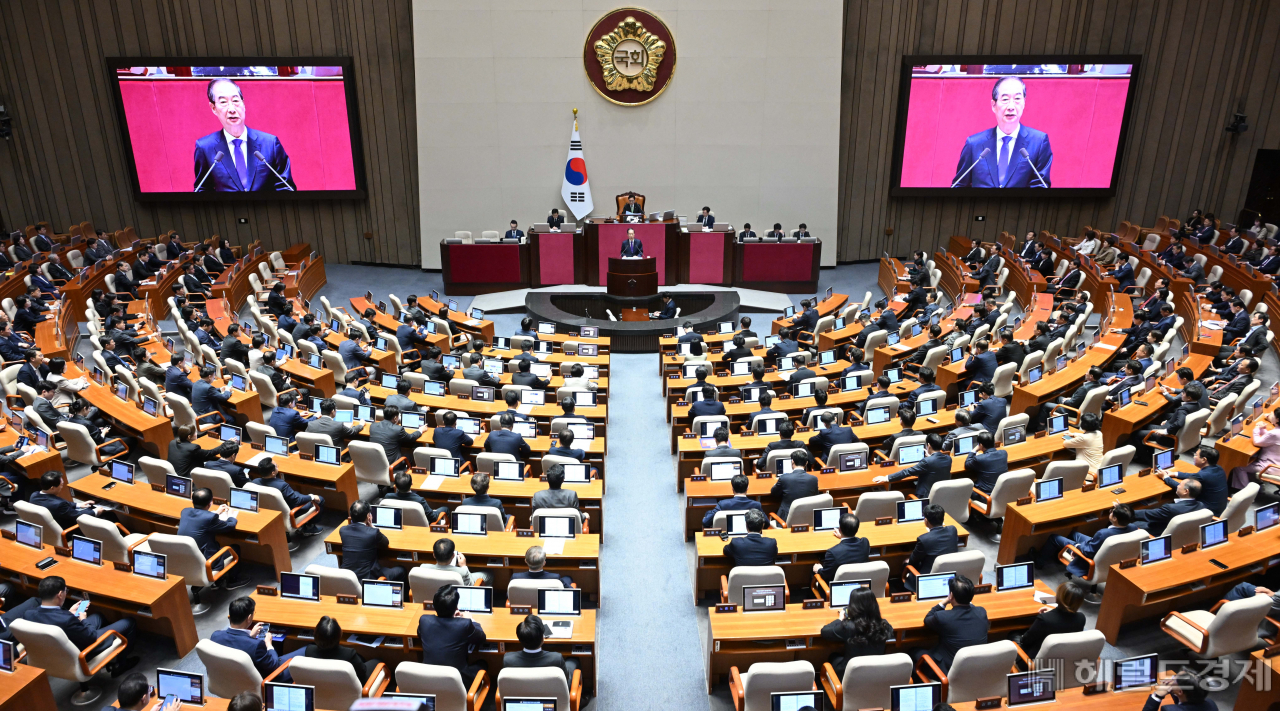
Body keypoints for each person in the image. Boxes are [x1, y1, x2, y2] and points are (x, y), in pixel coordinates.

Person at [950, 75, 1052, 188]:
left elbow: (1041, 186)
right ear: (993, 105)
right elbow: (959, 185)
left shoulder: (1039, 142)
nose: (1011, 106)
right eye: (1005, 99)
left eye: (1017, 99)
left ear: (1024, 103)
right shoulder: (974, 144)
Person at [24, 576, 139, 676]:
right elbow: (91, 636)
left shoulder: (28, 614)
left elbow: (54, 620)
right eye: (65, 590)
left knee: (98, 617)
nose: (65, 593)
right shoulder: (66, 619)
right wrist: (83, 619)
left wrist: (69, 612)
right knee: (129, 622)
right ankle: (121, 664)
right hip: (82, 650)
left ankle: (107, 656)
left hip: (57, 650)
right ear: (60, 594)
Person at [194, 78, 295, 191]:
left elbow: (286, 188)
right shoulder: (205, 148)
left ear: (243, 103)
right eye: (223, 102)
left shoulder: (270, 143)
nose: (232, 109)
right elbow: (202, 190)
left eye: (236, 100)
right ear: (213, 108)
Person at [210, 597, 305, 682]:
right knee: (307, 649)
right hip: (267, 677)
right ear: (249, 618)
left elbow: (237, 644)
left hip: (230, 680)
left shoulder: (215, 636)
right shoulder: (256, 645)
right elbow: (274, 666)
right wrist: (268, 645)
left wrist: (250, 637)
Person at [912, 574, 988, 674]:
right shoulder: (982, 612)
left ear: (951, 595)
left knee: (913, 652)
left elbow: (927, 619)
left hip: (949, 670)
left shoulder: (943, 617)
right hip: (976, 667)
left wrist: (945, 601)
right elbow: (972, 607)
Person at [177, 487, 249, 586]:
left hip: (186, 558)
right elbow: (230, 526)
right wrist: (231, 515)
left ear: (192, 501)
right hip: (207, 561)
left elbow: (201, 518)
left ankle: (219, 581)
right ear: (210, 503)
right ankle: (233, 581)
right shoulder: (210, 518)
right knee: (235, 548)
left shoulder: (185, 511)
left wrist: (215, 513)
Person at [418, 585, 488, 684]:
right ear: (456, 607)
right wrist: (471, 620)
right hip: (457, 681)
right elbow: (481, 638)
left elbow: (420, 634)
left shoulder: (424, 620)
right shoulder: (464, 624)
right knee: (482, 664)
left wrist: (451, 618)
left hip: (429, 678)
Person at [1041, 504, 1136, 576]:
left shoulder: (1103, 534)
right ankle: (1063, 554)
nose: (1110, 511)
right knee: (1074, 534)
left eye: (1112, 511)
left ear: (1115, 518)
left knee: (1054, 538)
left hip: (1090, 557)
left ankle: (1039, 561)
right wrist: (1120, 508)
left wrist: (1078, 546)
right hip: (1108, 554)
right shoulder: (1133, 528)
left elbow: (1088, 552)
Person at [819, 588, 894, 678]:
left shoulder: (848, 626)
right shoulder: (884, 625)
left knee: (833, 656)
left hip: (849, 674)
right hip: (876, 672)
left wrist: (840, 619)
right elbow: (890, 632)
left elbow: (825, 631)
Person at [1009, 583, 1086, 659]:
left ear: (1058, 598)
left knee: (1013, 633)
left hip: (1033, 661)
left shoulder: (1044, 619)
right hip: (1062, 659)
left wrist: (1049, 614)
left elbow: (1025, 641)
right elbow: (1065, 618)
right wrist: (1052, 612)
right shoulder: (1081, 618)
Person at [251, 458, 323, 535]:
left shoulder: (254, 482)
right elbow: (297, 501)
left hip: (270, 512)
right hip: (290, 512)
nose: (277, 467)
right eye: (276, 466)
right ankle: (309, 527)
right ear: (273, 473)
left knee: (296, 492)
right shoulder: (282, 485)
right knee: (320, 499)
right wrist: (311, 497)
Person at [340, 501, 407, 583]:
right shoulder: (372, 532)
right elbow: (385, 543)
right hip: (368, 578)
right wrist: (372, 526)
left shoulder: (343, 530)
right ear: (368, 516)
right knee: (401, 570)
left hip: (347, 578)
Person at [505, 614, 578, 682]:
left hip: (522, 694)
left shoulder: (508, 660)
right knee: (573, 660)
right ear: (542, 638)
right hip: (552, 693)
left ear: (519, 639)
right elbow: (566, 678)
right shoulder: (557, 658)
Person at [1158, 446, 1228, 516]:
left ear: (1204, 459)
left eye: (1196, 455)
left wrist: (1165, 477)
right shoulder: (1219, 468)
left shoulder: (1202, 476)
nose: (1194, 457)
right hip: (1219, 508)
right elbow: (1195, 475)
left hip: (1207, 512)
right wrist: (1174, 474)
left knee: (1178, 499)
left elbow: (1181, 488)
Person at [877, 433, 950, 498]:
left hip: (924, 496)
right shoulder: (948, 459)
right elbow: (935, 469)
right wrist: (930, 457)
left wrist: (887, 477)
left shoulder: (927, 461)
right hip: (941, 495)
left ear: (928, 445)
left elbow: (907, 472)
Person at [904, 504, 959, 589]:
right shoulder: (953, 530)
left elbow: (912, 562)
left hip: (928, 578)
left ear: (926, 521)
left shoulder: (924, 539)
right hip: (950, 574)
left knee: (905, 563)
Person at [1131, 478, 1206, 536]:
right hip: (1181, 534)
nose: (1177, 486)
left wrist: (1125, 510)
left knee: (1130, 524)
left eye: (1179, 484)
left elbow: (1147, 514)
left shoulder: (1171, 508)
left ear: (1186, 491)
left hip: (1159, 531)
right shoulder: (1201, 506)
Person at [813, 514, 870, 583]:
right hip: (860, 584)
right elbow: (857, 540)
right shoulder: (865, 543)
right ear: (857, 530)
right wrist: (844, 537)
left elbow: (825, 575)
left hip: (836, 588)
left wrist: (819, 569)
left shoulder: (832, 552)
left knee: (813, 570)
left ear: (839, 529)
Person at [370, 404, 427, 469]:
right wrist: (420, 430)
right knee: (410, 454)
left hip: (375, 463)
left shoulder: (373, 426)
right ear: (395, 418)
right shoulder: (398, 429)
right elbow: (411, 438)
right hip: (392, 466)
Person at [771, 450, 819, 520]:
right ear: (806, 463)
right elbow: (815, 495)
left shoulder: (784, 478)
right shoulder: (814, 479)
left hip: (786, 518)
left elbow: (774, 493)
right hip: (808, 517)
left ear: (792, 461)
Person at [424, 537, 489, 586]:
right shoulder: (462, 572)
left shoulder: (423, 568)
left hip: (432, 599)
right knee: (489, 574)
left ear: (434, 555)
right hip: (456, 599)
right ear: (453, 556)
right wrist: (464, 566)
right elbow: (470, 586)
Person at [1142, 670, 1218, 711]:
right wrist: (1175, 690)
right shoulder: (1210, 703)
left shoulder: (1169, 709)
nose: (1171, 680)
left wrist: (1157, 696)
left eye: (1174, 679)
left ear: (1180, 691)